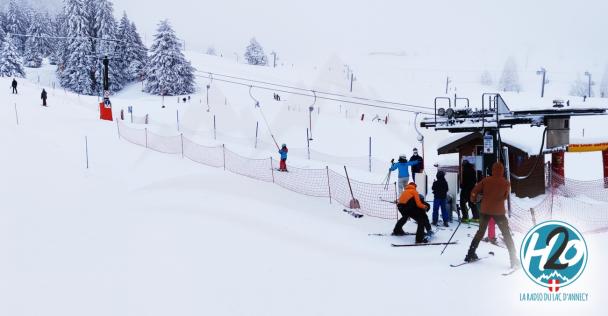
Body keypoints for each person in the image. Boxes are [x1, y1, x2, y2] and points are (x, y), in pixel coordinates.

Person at [464, 162, 518, 268]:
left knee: (480, 232)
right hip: (499, 212)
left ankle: (470, 254)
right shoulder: (506, 183)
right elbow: (505, 197)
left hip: (485, 211)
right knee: (506, 234)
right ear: (502, 170)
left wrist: (474, 200)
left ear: (492, 170)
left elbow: (474, 191)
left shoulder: (485, 180)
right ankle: (513, 259)